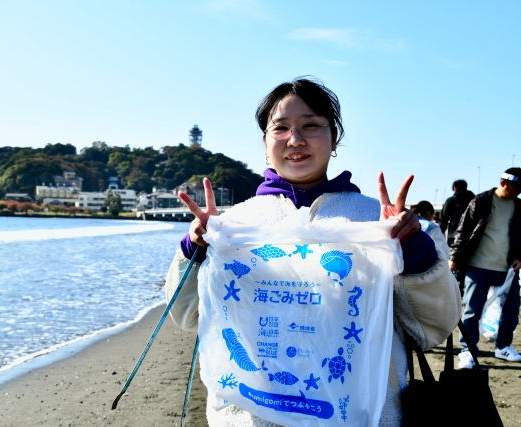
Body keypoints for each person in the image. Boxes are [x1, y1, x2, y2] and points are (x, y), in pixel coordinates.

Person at [165, 77, 460, 426]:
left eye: (311, 125)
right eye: (281, 128)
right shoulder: (233, 225)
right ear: (265, 143)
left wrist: (414, 251)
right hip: (252, 416)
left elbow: (433, 325)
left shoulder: (378, 223)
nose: (295, 139)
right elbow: (188, 317)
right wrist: (195, 249)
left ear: (334, 138)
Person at [449, 168, 521, 369]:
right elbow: (463, 230)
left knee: (511, 310)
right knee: (472, 310)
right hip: (478, 266)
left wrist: (520, 258)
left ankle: (503, 347)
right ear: (503, 182)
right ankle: (468, 350)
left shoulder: (519, 206)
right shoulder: (481, 201)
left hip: (508, 269)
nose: (518, 191)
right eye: (516, 187)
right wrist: (454, 257)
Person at [439, 179, 475, 246]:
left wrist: (439, 235)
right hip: (470, 235)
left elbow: (443, 220)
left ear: (455, 188)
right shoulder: (473, 200)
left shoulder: (450, 200)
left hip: (454, 235)